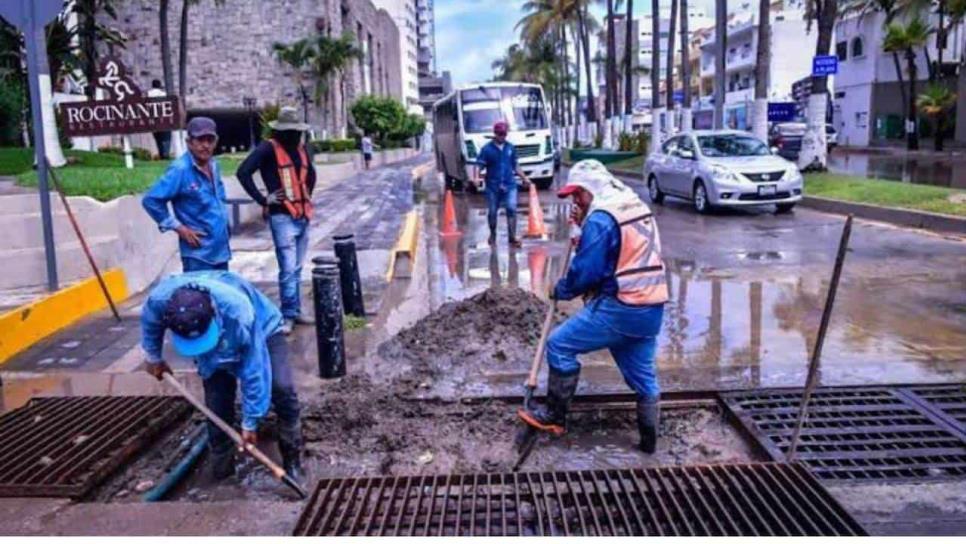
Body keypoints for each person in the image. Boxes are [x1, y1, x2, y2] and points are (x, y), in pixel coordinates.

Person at [517, 160, 668, 453]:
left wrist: (560, 289)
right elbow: (617, 248)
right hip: (651, 308)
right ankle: (649, 445)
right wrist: (582, 225)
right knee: (643, 379)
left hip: (622, 307)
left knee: (559, 345)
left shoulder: (601, 218)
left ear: (592, 189)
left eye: (578, 194)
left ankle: (555, 416)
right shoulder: (632, 204)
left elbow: (587, 272)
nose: (575, 199)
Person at [141, 270, 303, 482]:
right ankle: (222, 471)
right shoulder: (160, 301)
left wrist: (250, 422)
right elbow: (150, 323)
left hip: (263, 328)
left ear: (214, 314)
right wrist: (153, 357)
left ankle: (292, 459)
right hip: (218, 332)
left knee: (281, 387)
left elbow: (254, 369)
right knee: (217, 403)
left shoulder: (239, 312)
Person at [236, 106, 317, 334]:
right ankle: (287, 315)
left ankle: (296, 310)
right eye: (290, 131)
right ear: (281, 131)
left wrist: (307, 196)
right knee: (288, 268)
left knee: (297, 268)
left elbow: (310, 174)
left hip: (302, 215)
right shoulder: (268, 149)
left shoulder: (301, 149)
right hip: (282, 217)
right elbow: (243, 172)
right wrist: (264, 199)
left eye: (296, 130)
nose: (294, 135)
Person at [143, 116, 231, 272]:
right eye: (200, 140)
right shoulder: (180, 170)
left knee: (220, 295)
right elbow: (151, 200)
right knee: (197, 296)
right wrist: (179, 228)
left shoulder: (214, 164)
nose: (205, 145)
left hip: (220, 250)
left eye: (210, 140)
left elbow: (220, 196)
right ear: (189, 142)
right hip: (198, 255)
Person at [473, 121, 532, 247]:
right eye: (500, 134)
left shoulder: (510, 148)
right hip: (493, 186)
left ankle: (512, 237)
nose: (502, 137)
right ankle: (492, 233)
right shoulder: (487, 149)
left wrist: (524, 178)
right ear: (495, 134)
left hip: (510, 184)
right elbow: (479, 165)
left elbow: (515, 165)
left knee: (511, 208)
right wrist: (476, 178)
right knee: (493, 211)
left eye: (504, 134)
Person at [146, 80, 171, 159]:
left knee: (157, 138)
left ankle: (161, 153)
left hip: (153, 119)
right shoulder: (163, 94)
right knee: (166, 137)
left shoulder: (148, 94)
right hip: (164, 118)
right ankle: (165, 153)